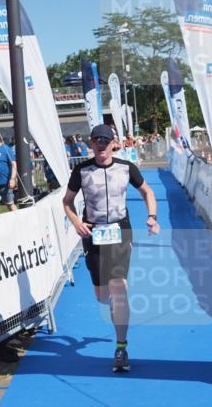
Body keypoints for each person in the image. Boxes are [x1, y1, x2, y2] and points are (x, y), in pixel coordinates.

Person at [62, 124, 160, 373]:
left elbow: (148, 191)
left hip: (119, 231)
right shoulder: (81, 170)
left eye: (106, 141)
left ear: (113, 143)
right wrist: (76, 223)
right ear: (91, 144)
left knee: (118, 287)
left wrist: (152, 216)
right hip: (93, 233)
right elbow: (67, 202)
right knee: (102, 295)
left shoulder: (126, 168)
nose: (101, 146)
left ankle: (121, 347)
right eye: (97, 141)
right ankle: (115, 308)